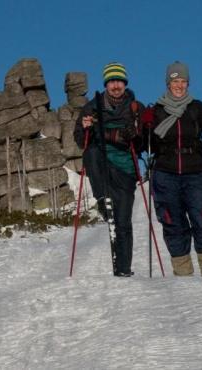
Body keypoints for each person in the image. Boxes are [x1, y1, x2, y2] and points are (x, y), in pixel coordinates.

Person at [139, 61, 202, 277]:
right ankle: (183, 273)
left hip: (195, 172)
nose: (180, 85)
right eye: (176, 81)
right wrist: (144, 127)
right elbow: (147, 146)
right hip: (165, 173)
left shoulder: (197, 107)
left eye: (183, 81)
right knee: (172, 224)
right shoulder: (156, 110)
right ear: (168, 83)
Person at [73, 62, 145, 277]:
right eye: (112, 81)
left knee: (123, 222)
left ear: (125, 84)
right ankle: (102, 198)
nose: (116, 86)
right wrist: (86, 128)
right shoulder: (92, 107)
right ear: (106, 84)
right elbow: (79, 140)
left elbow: (141, 143)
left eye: (119, 81)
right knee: (91, 153)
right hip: (103, 166)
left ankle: (123, 270)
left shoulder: (135, 107)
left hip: (126, 170)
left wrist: (136, 134)